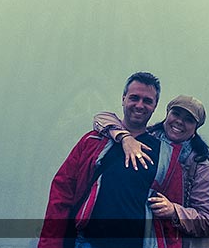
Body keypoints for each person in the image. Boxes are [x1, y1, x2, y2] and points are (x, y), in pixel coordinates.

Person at [38, 72, 185, 248]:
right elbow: (61, 194)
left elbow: (168, 221)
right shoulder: (92, 141)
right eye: (134, 98)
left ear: (155, 106)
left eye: (147, 101)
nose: (140, 105)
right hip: (85, 242)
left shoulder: (165, 156)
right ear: (123, 99)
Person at [93, 94, 209, 239]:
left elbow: (207, 221)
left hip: (165, 239)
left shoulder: (200, 166)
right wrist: (125, 138)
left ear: (196, 127)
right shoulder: (146, 136)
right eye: (176, 114)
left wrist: (174, 211)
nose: (179, 121)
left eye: (188, 120)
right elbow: (101, 118)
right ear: (167, 114)